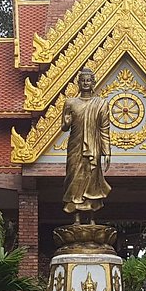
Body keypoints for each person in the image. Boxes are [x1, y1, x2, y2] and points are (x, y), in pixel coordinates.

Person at [61, 68, 111, 222]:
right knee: (74, 177)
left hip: (93, 147)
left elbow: (104, 129)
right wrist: (67, 121)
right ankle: (76, 217)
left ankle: (91, 218)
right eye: (83, 80)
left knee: (91, 178)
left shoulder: (101, 104)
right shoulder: (70, 103)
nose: (86, 83)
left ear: (93, 83)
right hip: (75, 146)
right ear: (79, 83)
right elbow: (64, 127)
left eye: (88, 80)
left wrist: (107, 151)